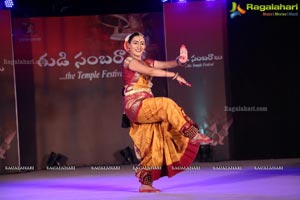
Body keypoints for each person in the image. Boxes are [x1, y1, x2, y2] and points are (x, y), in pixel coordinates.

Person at [122, 32, 221, 193]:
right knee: (166, 104)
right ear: (128, 46)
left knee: (152, 143)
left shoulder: (146, 61)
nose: (139, 46)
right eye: (135, 43)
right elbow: (152, 72)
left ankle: (146, 183)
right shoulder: (129, 61)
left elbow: (164, 64)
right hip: (135, 104)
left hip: (147, 105)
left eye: (142, 43)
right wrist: (174, 75)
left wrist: (178, 61)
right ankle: (193, 134)